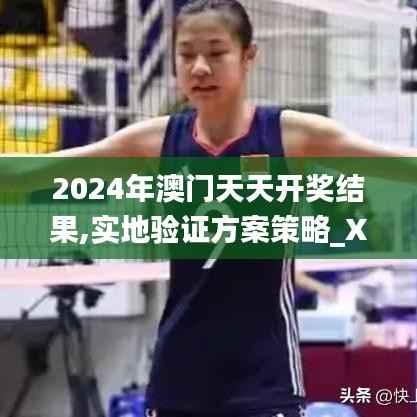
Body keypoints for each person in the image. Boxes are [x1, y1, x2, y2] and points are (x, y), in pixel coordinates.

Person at [4, 0, 417, 416]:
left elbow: (397, 164)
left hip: (264, 375)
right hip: (180, 374)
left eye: (217, 53)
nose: (200, 67)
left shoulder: (290, 135)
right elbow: (43, 171)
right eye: (186, 55)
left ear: (248, 56)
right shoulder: (156, 141)